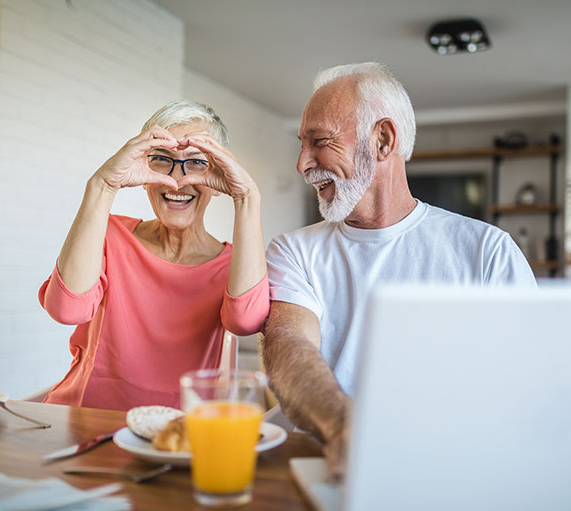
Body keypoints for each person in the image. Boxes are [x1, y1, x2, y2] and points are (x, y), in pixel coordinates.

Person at [262, 62, 536, 477]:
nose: (302, 163)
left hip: (446, 466)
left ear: (383, 140)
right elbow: (288, 345)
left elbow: (526, 383)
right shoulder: (294, 249)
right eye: (302, 145)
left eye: (319, 141)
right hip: (319, 462)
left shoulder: (487, 251)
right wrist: (344, 428)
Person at [39, 100, 269, 411]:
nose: (178, 179)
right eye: (162, 159)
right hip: (84, 424)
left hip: (178, 438)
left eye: (197, 162)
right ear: (145, 170)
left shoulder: (233, 265)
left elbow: (246, 321)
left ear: (218, 177)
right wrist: (102, 185)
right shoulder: (109, 234)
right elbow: (66, 309)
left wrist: (247, 196)